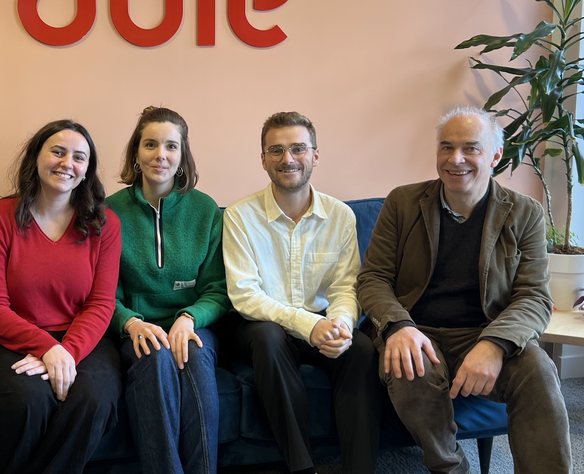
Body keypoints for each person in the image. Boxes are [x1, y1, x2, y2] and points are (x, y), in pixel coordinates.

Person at [357, 106, 572, 474]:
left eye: (471, 148)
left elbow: (534, 297)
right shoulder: (403, 203)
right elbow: (373, 278)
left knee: (538, 369)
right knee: (410, 367)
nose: (455, 159)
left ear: (495, 156)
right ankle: (451, 469)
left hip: (485, 331)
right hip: (418, 329)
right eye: (446, 147)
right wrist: (398, 326)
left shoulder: (525, 213)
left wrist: (495, 343)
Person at [222, 111, 382, 474]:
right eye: (276, 150)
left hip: (321, 322)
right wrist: (308, 325)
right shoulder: (239, 216)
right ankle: (302, 467)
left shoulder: (340, 216)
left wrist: (341, 325)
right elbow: (245, 295)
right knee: (268, 337)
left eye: (298, 148)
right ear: (263, 159)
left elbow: (345, 286)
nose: (288, 159)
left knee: (360, 349)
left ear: (315, 155)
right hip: (258, 325)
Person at [107, 106, 230, 474]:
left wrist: (189, 318)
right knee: (155, 355)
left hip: (193, 325)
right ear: (136, 153)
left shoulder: (205, 210)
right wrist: (131, 323)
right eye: (150, 144)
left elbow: (218, 290)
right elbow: (103, 295)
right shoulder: (109, 213)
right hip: (136, 328)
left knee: (193, 353)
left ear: (182, 155)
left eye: (171, 146)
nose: (160, 155)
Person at [0, 120, 122, 474]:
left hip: (81, 339)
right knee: (27, 399)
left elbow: (101, 304)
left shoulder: (105, 224)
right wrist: (46, 348)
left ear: (87, 170)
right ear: (36, 157)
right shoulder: (4, 216)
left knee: (94, 399)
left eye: (79, 157)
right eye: (57, 151)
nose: (67, 163)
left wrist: (65, 352)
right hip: (15, 338)